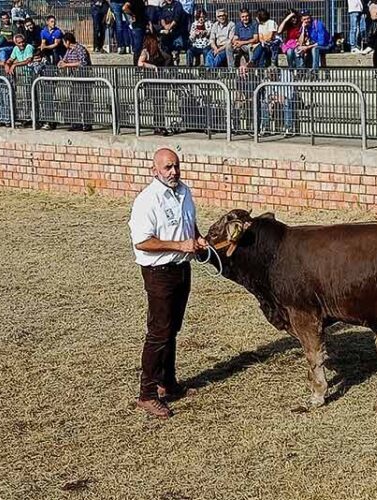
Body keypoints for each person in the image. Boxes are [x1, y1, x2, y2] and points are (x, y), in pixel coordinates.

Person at [128, 148, 207, 419]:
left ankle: (168, 382)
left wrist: (196, 239)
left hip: (181, 267)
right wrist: (179, 244)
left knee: (173, 328)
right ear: (155, 170)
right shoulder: (147, 201)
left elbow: (189, 223)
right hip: (158, 271)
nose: (173, 172)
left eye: (176, 167)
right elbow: (142, 241)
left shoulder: (184, 191)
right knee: (158, 333)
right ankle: (147, 394)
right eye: (167, 168)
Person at [138, 33, 173, 136]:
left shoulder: (158, 52)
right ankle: (158, 126)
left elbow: (168, 58)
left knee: (160, 104)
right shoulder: (146, 51)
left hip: (160, 81)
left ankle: (160, 126)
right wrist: (153, 67)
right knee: (157, 104)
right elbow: (140, 63)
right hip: (151, 82)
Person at [58, 32, 93, 132]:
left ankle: (87, 123)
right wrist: (61, 63)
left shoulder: (80, 49)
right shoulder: (69, 50)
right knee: (73, 100)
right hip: (75, 79)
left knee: (85, 101)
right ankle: (75, 123)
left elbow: (83, 63)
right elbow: (64, 60)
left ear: (67, 42)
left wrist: (67, 65)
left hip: (84, 78)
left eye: (64, 42)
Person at [259, 67, 295, 137]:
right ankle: (265, 128)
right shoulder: (267, 79)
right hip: (274, 99)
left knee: (287, 103)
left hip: (285, 98)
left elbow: (289, 93)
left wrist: (279, 97)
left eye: (272, 75)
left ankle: (288, 128)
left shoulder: (286, 75)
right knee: (264, 104)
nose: (271, 77)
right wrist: (271, 100)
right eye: (269, 76)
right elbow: (268, 94)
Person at [123, 0, 148, 65]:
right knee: (138, 47)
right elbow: (124, 8)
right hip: (138, 26)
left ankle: (139, 64)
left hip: (142, 25)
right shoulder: (135, 1)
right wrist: (132, 14)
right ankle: (136, 65)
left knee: (140, 47)